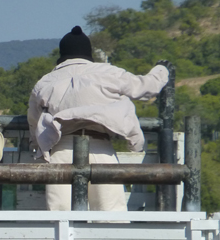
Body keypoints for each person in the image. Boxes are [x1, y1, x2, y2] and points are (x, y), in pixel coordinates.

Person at [27, 26, 169, 211]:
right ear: (88, 53)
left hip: (61, 150)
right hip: (102, 149)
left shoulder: (45, 81)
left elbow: (33, 122)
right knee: (110, 217)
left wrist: (37, 147)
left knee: (60, 216)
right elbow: (145, 87)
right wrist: (161, 70)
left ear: (62, 55)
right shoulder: (110, 72)